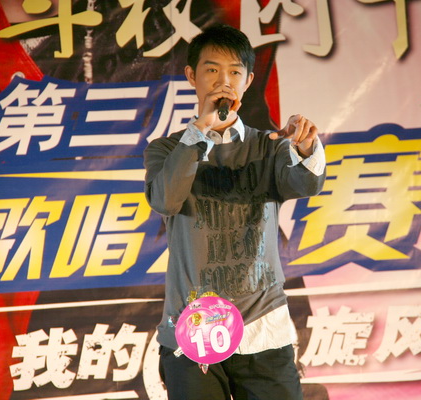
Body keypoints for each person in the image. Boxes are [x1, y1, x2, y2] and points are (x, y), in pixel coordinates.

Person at [143, 24, 326, 400]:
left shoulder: (269, 146)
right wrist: (201, 130)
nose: (223, 81)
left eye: (234, 72)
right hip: (193, 332)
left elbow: (306, 184)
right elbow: (166, 200)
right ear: (192, 76)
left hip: (263, 328)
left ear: (248, 81)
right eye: (211, 70)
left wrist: (306, 148)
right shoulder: (166, 150)